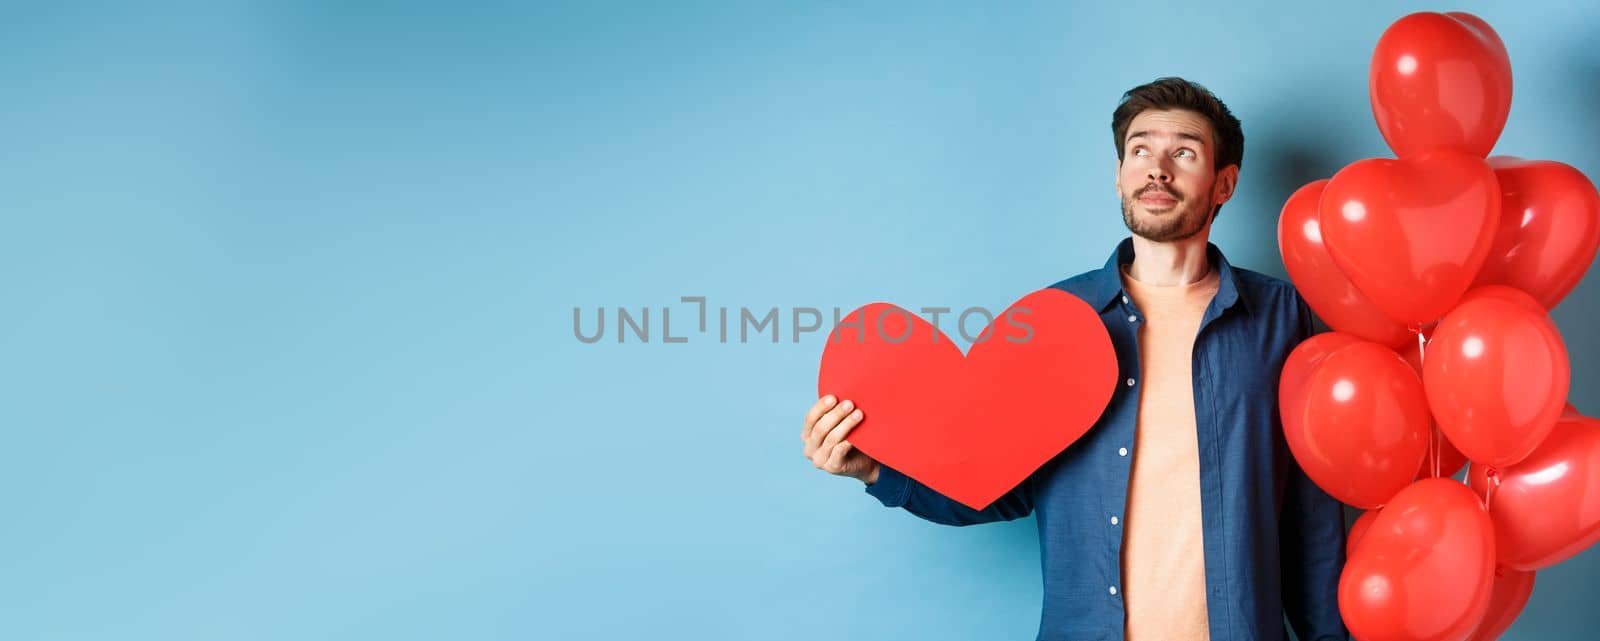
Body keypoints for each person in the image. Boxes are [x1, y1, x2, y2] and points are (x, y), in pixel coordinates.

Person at [801, 77, 1348, 641]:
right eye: (1139, 150)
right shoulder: (1057, 319)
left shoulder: (1280, 316)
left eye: (1183, 152)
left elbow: (1308, 512)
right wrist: (873, 469)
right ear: (1119, 176)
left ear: (1224, 184)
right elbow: (996, 482)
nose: (1157, 168)